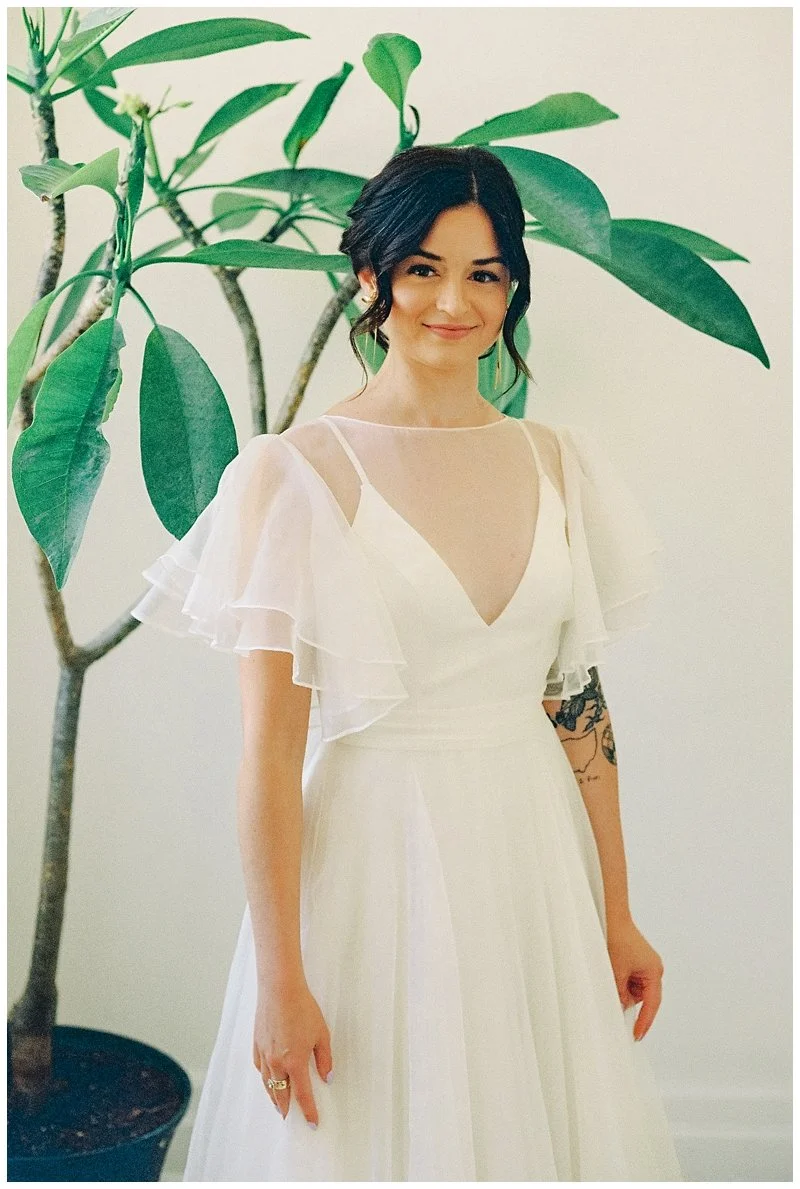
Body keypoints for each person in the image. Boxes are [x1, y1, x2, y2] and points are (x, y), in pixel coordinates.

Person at [131, 145, 684, 1181]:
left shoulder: (556, 461)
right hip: (372, 864)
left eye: (484, 273)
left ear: (512, 287)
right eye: (423, 268)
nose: (453, 301)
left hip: (526, 860)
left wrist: (615, 908)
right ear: (369, 278)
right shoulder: (291, 475)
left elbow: (576, 704)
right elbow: (266, 755)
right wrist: (280, 978)